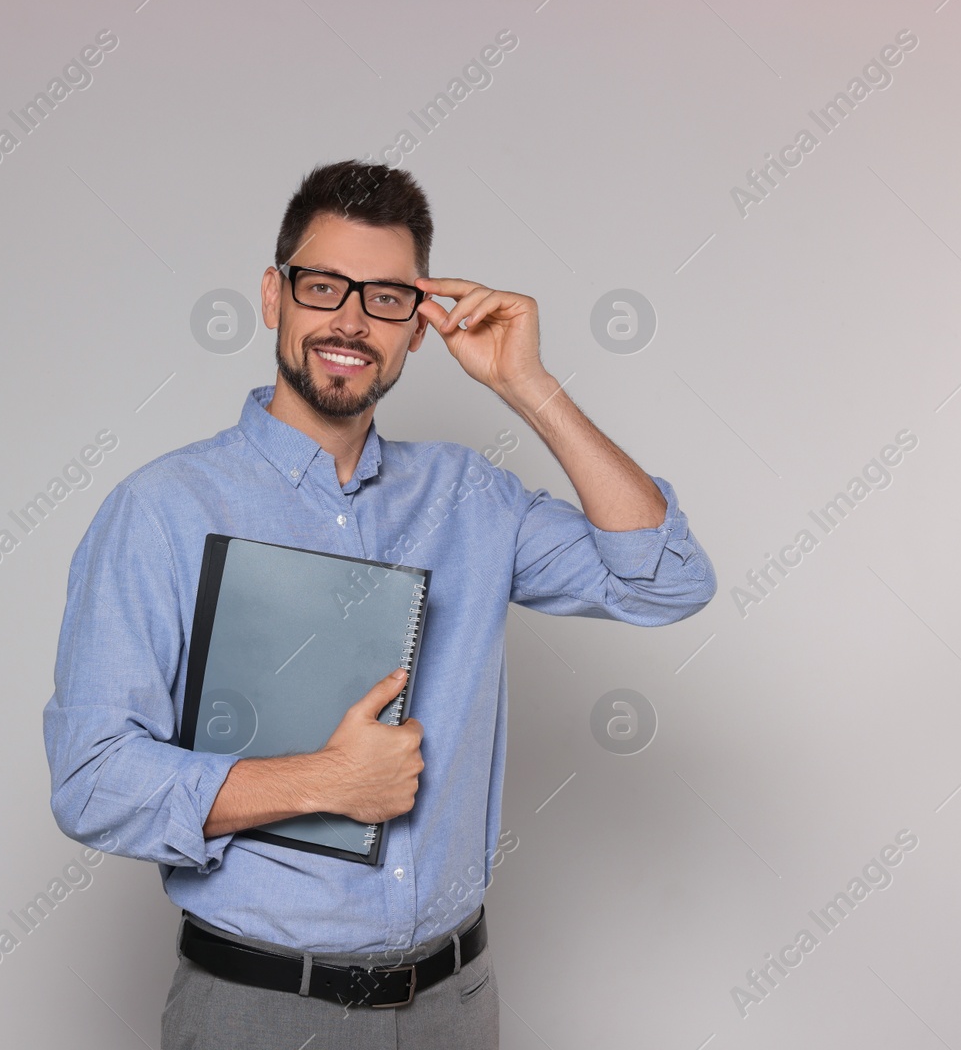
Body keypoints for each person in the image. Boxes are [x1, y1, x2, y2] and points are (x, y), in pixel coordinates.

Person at [42, 159, 717, 1048]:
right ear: (273, 296)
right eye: (325, 286)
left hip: (454, 1007)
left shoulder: (471, 498)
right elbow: (92, 782)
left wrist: (528, 385)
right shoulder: (164, 510)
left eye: (389, 298)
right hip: (263, 1013)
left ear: (420, 328)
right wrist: (324, 783)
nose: (352, 321)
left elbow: (664, 578)